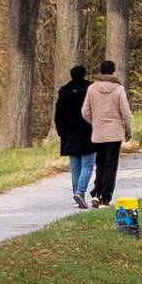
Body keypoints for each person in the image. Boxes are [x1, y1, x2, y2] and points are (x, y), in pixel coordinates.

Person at [82, 59, 132, 207]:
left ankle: (96, 192)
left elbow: (85, 111)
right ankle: (105, 197)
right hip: (115, 133)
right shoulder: (118, 89)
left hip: (98, 133)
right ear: (113, 71)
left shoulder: (92, 89)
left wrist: (95, 122)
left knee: (100, 164)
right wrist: (128, 131)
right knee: (111, 165)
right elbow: (126, 113)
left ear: (101, 70)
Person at [53, 64, 94, 208]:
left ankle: (77, 194)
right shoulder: (90, 89)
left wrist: (61, 132)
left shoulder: (64, 91)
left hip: (69, 132)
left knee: (75, 166)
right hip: (87, 131)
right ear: (84, 74)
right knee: (88, 165)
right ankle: (80, 192)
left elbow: (58, 115)